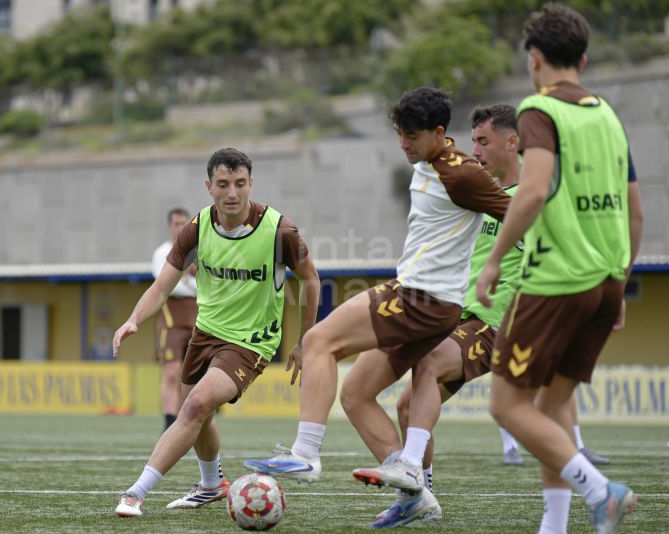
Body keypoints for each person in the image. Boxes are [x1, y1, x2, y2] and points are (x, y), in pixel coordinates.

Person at [244, 87, 512, 523]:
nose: (403, 143)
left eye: (411, 135)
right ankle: (414, 494)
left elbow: (516, 213)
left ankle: (306, 454)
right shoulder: (433, 161)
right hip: (426, 302)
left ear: (438, 132)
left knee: (319, 341)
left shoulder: (462, 175)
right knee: (355, 394)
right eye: (399, 133)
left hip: (420, 299)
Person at [361, 103, 613, 529]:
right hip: (458, 317)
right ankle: (420, 495)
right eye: (472, 140)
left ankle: (593, 492)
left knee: (433, 364)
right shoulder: (476, 194)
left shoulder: (534, 200)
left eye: (483, 141)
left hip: (499, 322)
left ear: (513, 143)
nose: (475, 150)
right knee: (407, 407)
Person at [475, 4, 643, 534]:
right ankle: (555, 527)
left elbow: (534, 188)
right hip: (607, 281)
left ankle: (601, 491)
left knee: (506, 407)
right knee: (551, 409)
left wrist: (496, 259)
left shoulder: (539, 111)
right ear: (585, 59)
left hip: (555, 282)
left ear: (535, 59)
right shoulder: (609, 117)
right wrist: (619, 283)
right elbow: (635, 212)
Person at [113, 147, 321, 517]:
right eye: (223, 184)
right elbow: (162, 285)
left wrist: (304, 341)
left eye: (240, 184)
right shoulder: (196, 228)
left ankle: (136, 492)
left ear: (251, 184)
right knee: (196, 412)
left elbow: (311, 279)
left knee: (194, 406)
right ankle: (212, 484)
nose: (232, 193)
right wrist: (133, 319)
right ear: (208, 186)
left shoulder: (281, 230)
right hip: (205, 331)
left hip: (252, 340)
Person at [152, 208, 197, 432]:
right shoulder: (163, 252)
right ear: (170, 226)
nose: (180, 228)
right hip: (171, 315)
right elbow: (167, 285)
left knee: (191, 373)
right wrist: (190, 282)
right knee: (171, 371)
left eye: (183, 223)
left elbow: (206, 286)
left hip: (197, 315)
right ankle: (169, 422)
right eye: (176, 223)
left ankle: (186, 420)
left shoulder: (198, 252)